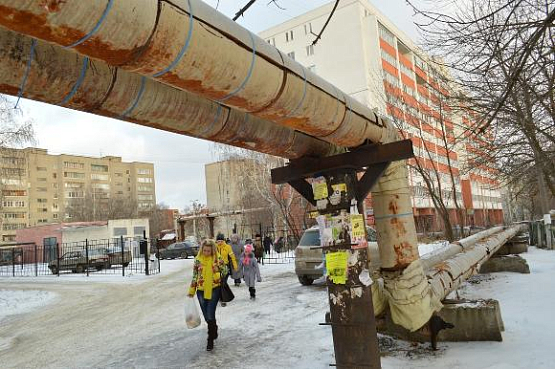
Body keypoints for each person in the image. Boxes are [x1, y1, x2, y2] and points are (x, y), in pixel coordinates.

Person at [187, 239, 227, 351]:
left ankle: (210, 339)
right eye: (204, 250)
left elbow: (225, 271)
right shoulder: (198, 260)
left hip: (214, 288)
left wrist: (217, 269)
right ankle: (214, 328)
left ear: (212, 250)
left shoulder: (217, 258)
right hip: (200, 290)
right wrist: (192, 290)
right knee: (206, 316)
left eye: (208, 251)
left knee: (210, 313)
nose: (206, 253)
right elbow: (195, 275)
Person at [216, 233, 238, 306]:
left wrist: (235, 266)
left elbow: (232, 257)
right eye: (218, 241)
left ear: (223, 240)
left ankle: (223, 300)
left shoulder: (228, 247)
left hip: (225, 267)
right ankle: (227, 296)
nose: (219, 242)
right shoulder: (215, 247)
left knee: (223, 283)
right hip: (217, 267)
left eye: (221, 241)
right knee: (220, 283)